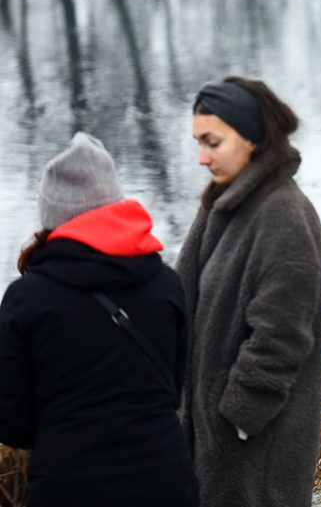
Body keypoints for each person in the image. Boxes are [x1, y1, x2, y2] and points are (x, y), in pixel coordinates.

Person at [0, 134, 197, 507]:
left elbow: (12, 425)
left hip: (69, 487)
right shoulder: (166, 284)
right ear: (114, 207)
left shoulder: (26, 300)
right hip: (167, 484)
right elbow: (172, 390)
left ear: (52, 218)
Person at [177, 77, 321, 507]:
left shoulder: (283, 215)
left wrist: (237, 418)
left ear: (253, 138)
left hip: (253, 448)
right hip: (217, 441)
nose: (202, 158)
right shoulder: (224, 204)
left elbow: (281, 337)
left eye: (213, 142)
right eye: (198, 143)